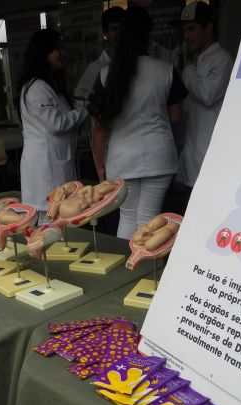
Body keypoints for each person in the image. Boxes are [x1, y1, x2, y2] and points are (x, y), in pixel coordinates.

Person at [89, 6, 187, 239]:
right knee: (148, 219)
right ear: (148, 35)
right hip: (158, 156)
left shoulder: (105, 74)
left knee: (127, 217)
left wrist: (100, 166)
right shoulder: (166, 70)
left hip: (121, 159)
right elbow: (176, 116)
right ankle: (145, 261)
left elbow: (100, 127)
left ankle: (127, 260)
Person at [17, 29, 89, 222]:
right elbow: (57, 123)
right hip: (45, 168)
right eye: (57, 49)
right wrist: (86, 110)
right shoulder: (37, 87)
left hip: (54, 164)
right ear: (43, 53)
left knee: (58, 217)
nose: (62, 53)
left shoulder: (49, 86)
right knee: (49, 221)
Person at [174, 1, 233, 211]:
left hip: (210, 153)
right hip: (192, 151)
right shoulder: (194, 60)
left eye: (192, 28)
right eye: (184, 30)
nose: (186, 36)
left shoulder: (222, 59)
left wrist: (188, 71)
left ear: (208, 27)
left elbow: (208, 95)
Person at [73, 6, 125, 103]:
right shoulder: (95, 68)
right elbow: (79, 100)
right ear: (105, 33)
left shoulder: (133, 62)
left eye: (123, 28)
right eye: (114, 29)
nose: (120, 33)